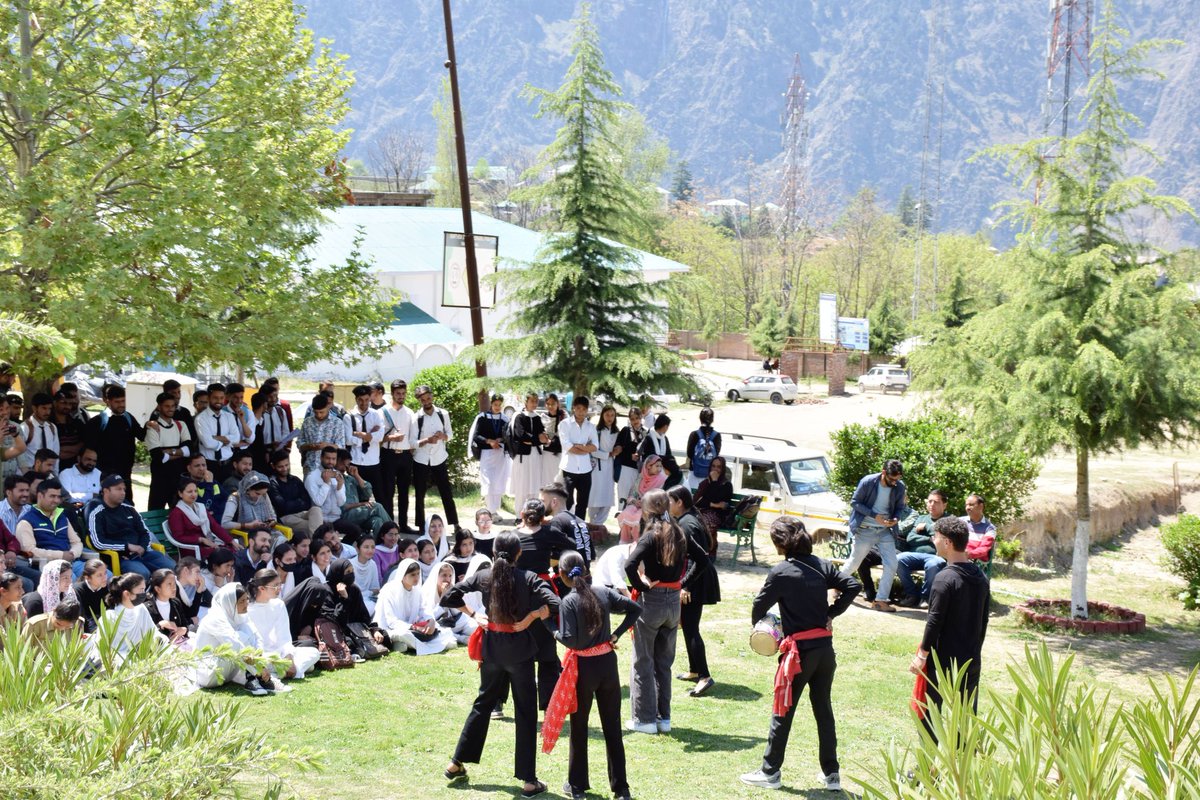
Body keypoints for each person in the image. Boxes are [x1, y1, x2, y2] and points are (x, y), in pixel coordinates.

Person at [741, 518, 860, 792]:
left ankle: (770, 772)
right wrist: (831, 613)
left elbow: (759, 607)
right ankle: (832, 775)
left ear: (781, 542)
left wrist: (766, 627)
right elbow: (853, 585)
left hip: (799, 655)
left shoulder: (782, 571)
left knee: (783, 710)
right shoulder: (822, 565)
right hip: (824, 651)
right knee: (823, 710)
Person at [441, 532, 560, 798]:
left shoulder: (485, 576)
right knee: (526, 713)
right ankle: (529, 781)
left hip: (493, 649)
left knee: (483, 704)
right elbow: (555, 604)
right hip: (519, 652)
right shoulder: (528, 578)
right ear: (519, 554)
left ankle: (456, 762)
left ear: (494, 554)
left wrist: (475, 615)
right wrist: (532, 616)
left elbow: (448, 597)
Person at [543, 550, 639, 800]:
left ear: (562, 576)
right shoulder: (603, 592)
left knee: (579, 727)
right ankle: (621, 789)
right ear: (586, 569)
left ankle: (577, 786)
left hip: (583, 668)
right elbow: (635, 609)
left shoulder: (568, 601)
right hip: (607, 664)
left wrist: (549, 626)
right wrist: (615, 635)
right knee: (612, 727)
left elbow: (570, 641)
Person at [622, 509, 709, 735]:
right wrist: (681, 582)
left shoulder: (651, 536)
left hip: (652, 601)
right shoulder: (680, 534)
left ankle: (644, 720)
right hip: (672, 604)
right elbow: (704, 559)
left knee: (643, 662)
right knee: (663, 663)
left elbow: (630, 565)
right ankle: (664, 718)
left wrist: (640, 586)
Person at [910, 515, 991, 739]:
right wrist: (975, 650)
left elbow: (934, 620)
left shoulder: (944, 579)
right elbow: (983, 621)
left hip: (943, 662)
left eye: (935, 537)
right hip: (970, 660)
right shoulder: (981, 577)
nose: (933, 541)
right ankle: (961, 769)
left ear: (947, 542)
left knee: (929, 715)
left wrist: (922, 655)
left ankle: (927, 770)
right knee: (965, 718)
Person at [668, 485, 721, 697]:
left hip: (696, 580)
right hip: (695, 578)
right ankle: (694, 669)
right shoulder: (687, 518)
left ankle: (704, 677)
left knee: (691, 628)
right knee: (689, 626)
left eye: (669, 501)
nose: (667, 505)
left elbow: (699, 559)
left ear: (679, 502)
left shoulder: (687, 524)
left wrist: (685, 585)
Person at [839, 459, 910, 613]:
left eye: (898, 479)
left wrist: (896, 519)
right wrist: (874, 515)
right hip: (865, 529)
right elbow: (855, 502)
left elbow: (899, 507)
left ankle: (880, 601)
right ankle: (836, 584)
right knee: (854, 563)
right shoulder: (868, 482)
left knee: (892, 564)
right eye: (892, 479)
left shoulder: (899, 486)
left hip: (885, 531)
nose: (895, 483)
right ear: (883, 472)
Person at [86, 475, 175, 577]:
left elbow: (145, 533)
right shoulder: (97, 513)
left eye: (124, 489)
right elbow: (98, 542)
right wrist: (127, 547)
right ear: (106, 491)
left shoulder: (130, 509)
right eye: (118, 489)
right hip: (120, 558)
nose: (123, 492)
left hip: (142, 553)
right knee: (142, 573)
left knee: (172, 568)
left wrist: (142, 548)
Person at [193, 583, 274, 696]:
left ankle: (254, 677)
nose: (246, 604)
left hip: (225, 671)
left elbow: (257, 637)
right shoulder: (215, 619)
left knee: (246, 630)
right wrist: (257, 668)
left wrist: (261, 664)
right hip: (209, 674)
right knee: (240, 638)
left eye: (247, 599)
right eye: (241, 601)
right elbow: (235, 645)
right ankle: (251, 677)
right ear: (229, 603)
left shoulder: (240, 616)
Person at [246, 567, 319, 681]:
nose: (279, 589)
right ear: (261, 588)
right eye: (275, 586)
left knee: (314, 652)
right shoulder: (248, 608)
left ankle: (279, 673)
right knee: (261, 662)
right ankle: (289, 671)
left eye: (280, 584)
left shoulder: (278, 604)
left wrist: (289, 659)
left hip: (280, 653)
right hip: (262, 656)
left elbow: (284, 637)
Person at [374, 557, 454, 654]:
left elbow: (424, 609)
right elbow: (391, 621)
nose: (416, 578)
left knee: (445, 633)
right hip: (392, 629)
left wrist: (431, 621)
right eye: (412, 575)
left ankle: (405, 645)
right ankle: (401, 643)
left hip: (414, 629)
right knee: (404, 634)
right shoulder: (389, 590)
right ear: (403, 575)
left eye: (418, 574)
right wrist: (413, 627)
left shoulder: (417, 590)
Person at [410, 384, 459, 533]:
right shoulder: (416, 417)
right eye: (423, 399)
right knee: (420, 493)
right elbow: (412, 442)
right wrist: (426, 440)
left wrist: (443, 436)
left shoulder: (443, 414)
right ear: (420, 401)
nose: (426, 401)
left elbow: (450, 434)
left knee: (446, 492)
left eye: (428, 398)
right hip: (421, 459)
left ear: (432, 396)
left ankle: (455, 523)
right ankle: (420, 526)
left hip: (439, 458)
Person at [84, 385, 145, 501]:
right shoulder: (98, 421)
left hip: (126, 472)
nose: (121, 404)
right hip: (104, 473)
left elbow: (142, 435)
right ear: (108, 401)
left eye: (123, 401)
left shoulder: (128, 418)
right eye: (117, 402)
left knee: (127, 503)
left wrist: (151, 423)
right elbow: (89, 448)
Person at [15, 478, 84, 577]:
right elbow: (29, 551)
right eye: (52, 496)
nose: (56, 500)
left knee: (104, 574)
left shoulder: (62, 517)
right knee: (70, 578)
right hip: (48, 565)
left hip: (73, 562)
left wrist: (73, 553)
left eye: (58, 497)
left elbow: (76, 542)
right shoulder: (26, 521)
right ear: (40, 496)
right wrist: (61, 555)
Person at [896, 489, 950, 608]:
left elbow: (943, 539)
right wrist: (930, 539)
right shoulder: (921, 518)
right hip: (915, 555)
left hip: (936, 557)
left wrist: (926, 528)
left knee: (934, 565)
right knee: (898, 559)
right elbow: (910, 538)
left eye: (936, 502)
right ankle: (912, 595)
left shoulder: (949, 520)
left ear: (944, 504)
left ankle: (925, 597)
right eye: (929, 501)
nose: (931, 505)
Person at [144, 392, 193, 510]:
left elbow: (188, 450)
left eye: (173, 406)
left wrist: (168, 452)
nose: (171, 409)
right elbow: (158, 457)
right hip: (159, 479)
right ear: (159, 407)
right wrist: (179, 452)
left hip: (178, 478)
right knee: (155, 513)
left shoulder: (181, 425)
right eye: (167, 406)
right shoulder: (153, 428)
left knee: (179, 513)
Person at [169, 476, 238, 559]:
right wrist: (200, 539)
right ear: (180, 494)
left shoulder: (200, 507)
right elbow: (179, 537)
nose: (193, 494)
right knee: (222, 554)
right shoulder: (177, 513)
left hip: (207, 543)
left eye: (195, 491)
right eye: (189, 492)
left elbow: (214, 526)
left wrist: (231, 540)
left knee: (232, 549)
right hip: (191, 547)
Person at [379, 379, 415, 532]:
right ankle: (389, 524)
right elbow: (378, 436)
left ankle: (404, 524)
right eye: (398, 393)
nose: (401, 396)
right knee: (388, 491)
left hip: (405, 455)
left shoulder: (409, 412)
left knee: (404, 492)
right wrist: (391, 438)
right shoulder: (382, 412)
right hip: (389, 454)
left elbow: (413, 437)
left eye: (403, 393)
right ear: (392, 394)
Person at [100, 572, 161, 657]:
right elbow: (103, 647)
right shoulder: (109, 616)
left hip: (143, 658)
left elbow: (153, 633)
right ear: (127, 594)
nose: (144, 594)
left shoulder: (141, 609)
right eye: (141, 590)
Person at [557, 397, 598, 520]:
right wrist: (585, 449)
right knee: (567, 500)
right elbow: (567, 446)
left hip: (586, 469)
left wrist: (580, 447)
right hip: (569, 468)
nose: (581, 412)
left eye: (584, 409)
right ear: (573, 408)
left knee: (583, 501)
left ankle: (580, 528)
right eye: (578, 408)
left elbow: (595, 446)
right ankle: (566, 525)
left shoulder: (591, 426)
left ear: (587, 410)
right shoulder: (564, 424)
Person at [344, 384, 385, 505]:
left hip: (373, 462)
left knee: (380, 496)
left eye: (367, 400)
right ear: (356, 399)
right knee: (359, 497)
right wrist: (368, 436)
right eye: (361, 400)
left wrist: (361, 435)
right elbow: (348, 439)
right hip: (356, 462)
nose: (364, 403)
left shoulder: (376, 414)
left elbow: (380, 436)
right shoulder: (349, 417)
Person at [471, 393, 512, 515]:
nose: (497, 407)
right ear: (491, 404)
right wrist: (489, 441)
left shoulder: (505, 419)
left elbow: (508, 436)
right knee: (488, 482)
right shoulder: (482, 417)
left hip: (499, 454)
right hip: (487, 454)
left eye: (499, 405)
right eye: (495, 404)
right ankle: (490, 510)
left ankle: (495, 510)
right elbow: (476, 436)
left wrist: (500, 440)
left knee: (498, 481)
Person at [509, 392, 549, 512]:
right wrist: (536, 440)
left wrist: (535, 440)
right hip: (523, 456)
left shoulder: (537, 418)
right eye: (532, 401)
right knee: (522, 486)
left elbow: (542, 435)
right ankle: (519, 515)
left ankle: (533, 514)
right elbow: (521, 435)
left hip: (535, 455)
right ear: (525, 402)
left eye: (536, 401)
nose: (534, 404)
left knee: (534, 486)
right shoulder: (519, 416)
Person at [267, 449, 321, 536]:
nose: (284, 469)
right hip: (285, 518)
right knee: (315, 526)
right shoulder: (272, 483)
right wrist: (299, 502)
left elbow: (307, 502)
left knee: (316, 510)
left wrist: (291, 504)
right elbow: (282, 508)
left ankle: (316, 544)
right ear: (273, 466)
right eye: (280, 466)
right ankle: (316, 546)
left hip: (302, 514)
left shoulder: (295, 479)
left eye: (286, 465)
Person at [338, 448, 392, 535]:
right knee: (377, 506)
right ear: (339, 461)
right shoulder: (334, 480)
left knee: (377, 521)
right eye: (345, 464)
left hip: (359, 514)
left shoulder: (350, 479)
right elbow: (342, 507)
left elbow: (368, 491)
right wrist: (361, 504)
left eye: (348, 464)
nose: (346, 467)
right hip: (346, 515)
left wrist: (357, 475)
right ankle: (394, 534)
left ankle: (378, 547)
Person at [422, 561, 477, 645]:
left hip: (454, 623)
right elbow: (430, 617)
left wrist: (451, 597)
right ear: (436, 576)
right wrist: (443, 600)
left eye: (450, 576)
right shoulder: (427, 593)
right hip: (439, 625)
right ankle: (460, 638)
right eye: (444, 575)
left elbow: (458, 613)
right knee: (437, 629)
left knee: (474, 626)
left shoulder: (451, 589)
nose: (447, 579)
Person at [616, 455, 666, 544]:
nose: (659, 469)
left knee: (638, 517)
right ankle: (625, 541)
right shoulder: (641, 477)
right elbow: (633, 493)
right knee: (627, 512)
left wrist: (645, 502)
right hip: (637, 504)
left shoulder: (662, 479)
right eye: (657, 466)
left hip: (651, 507)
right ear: (648, 466)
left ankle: (637, 543)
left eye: (660, 466)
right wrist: (635, 501)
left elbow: (659, 497)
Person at [541, 482, 594, 564]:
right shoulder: (581, 521)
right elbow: (591, 556)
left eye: (543, 501)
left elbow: (553, 557)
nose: (541, 505)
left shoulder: (557, 521)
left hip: (566, 574)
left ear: (554, 502)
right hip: (584, 573)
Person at [586, 405, 620, 525]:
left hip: (610, 467)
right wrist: (608, 454)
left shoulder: (617, 432)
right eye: (607, 415)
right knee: (595, 494)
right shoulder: (596, 430)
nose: (609, 418)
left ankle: (600, 523)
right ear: (602, 416)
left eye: (612, 415)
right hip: (597, 466)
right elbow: (592, 449)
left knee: (608, 495)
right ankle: (592, 521)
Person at [298, 393, 347, 475]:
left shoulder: (337, 423)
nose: (319, 415)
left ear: (328, 407)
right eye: (316, 412)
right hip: (310, 466)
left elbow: (341, 445)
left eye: (321, 412)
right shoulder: (307, 422)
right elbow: (300, 442)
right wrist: (309, 446)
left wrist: (326, 445)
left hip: (331, 467)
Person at [195, 383, 235, 482]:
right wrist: (227, 441)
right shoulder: (201, 418)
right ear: (208, 398)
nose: (219, 401)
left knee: (228, 495)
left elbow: (236, 438)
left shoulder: (229, 417)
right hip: (209, 464)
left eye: (221, 398)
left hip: (228, 464)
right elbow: (208, 443)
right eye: (215, 398)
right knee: (210, 494)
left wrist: (215, 438)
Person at [221, 470, 279, 539]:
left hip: (266, 533)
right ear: (248, 488)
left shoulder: (264, 496)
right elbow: (224, 524)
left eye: (262, 494)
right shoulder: (235, 498)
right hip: (245, 537)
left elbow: (273, 515)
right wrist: (248, 525)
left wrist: (271, 522)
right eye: (257, 493)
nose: (260, 497)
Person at [144, 568, 191, 647]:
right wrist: (159, 625)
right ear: (158, 589)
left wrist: (183, 630)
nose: (174, 588)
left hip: (178, 644)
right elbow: (145, 634)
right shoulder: (147, 607)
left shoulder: (176, 603)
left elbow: (184, 624)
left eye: (174, 583)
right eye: (169, 584)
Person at [693, 455, 733, 548]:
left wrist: (714, 481)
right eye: (713, 466)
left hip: (718, 515)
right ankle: (698, 551)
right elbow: (697, 502)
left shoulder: (726, 485)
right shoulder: (706, 482)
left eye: (719, 467)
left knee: (706, 522)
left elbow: (717, 500)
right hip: (702, 512)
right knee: (694, 522)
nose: (715, 469)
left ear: (723, 469)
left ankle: (708, 552)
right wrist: (715, 504)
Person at [304, 446, 346, 525]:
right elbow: (318, 502)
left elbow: (341, 503)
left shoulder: (338, 475)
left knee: (356, 531)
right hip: (319, 520)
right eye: (328, 458)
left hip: (336, 519)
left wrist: (339, 486)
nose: (331, 462)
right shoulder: (312, 477)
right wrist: (326, 483)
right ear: (321, 458)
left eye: (333, 459)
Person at [638, 414, 680, 490]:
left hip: (663, 472)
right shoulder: (649, 437)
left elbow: (668, 454)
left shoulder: (665, 438)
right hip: (651, 473)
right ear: (665, 426)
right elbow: (649, 456)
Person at [17, 392, 57, 472]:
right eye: (44, 408)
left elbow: (56, 452)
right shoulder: (24, 428)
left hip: (48, 474)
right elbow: (20, 455)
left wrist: (55, 473)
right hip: (30, 474)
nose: (48, 412)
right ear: (34, 408)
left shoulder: (52, 427)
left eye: (49, 408)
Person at [684, 408, 722, 491]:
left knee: (692, 498)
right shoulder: (717, 435)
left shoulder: (694, 434)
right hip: (710, 475)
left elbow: (689, 454)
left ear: (700, 419)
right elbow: (716, 454)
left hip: (694, 472)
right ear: (712, 419)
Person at [72, 558, 109, 632]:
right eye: (99, 575)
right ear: (87, 578)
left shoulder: (107, 588)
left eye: (105, 573)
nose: (104, 578)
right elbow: (80, 617)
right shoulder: (77, 591)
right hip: (87, 628)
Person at [182, 453, 225, 517]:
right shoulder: (186, 487)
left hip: (220, 521)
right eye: (197, 466)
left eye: (204, 465)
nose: (201, 468)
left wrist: (215, 511)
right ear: (189, 468)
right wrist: (209, 484)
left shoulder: (214, 482)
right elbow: (202, 507)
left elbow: (227, 500)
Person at [540, 394, 566, 489]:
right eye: (548, 404)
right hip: (547, 454)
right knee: (547, 482)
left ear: (558, 404)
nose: (550, 406)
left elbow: (565, 437)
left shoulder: (564, 417)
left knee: (559, 482)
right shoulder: (543, 417)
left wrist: (552, 442)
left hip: (559, 454)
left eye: (553, 403)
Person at [351, 532, 381, 615]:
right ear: (358, 548)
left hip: (369, 599)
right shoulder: (350, 564)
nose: (370, 550)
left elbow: (376, 588)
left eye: (373, 547)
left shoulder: (372, 564)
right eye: (366, 547)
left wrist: (368, 593)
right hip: (354, 599)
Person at [962, 493, 997, 563]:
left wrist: (967, 555)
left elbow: (984, 549)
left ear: (981, 506)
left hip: (976, 563)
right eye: (966, 505)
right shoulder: (959, 522)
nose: (967, 508)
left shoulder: (990, 528)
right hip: (958, 559)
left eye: (971, 505)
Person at [0, 394, 29, 480]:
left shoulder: (15, 427)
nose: (5, 412)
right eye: (1, 410)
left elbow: (21, 453)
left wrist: (27, 478)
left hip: (11, 480)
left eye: (7, 408)